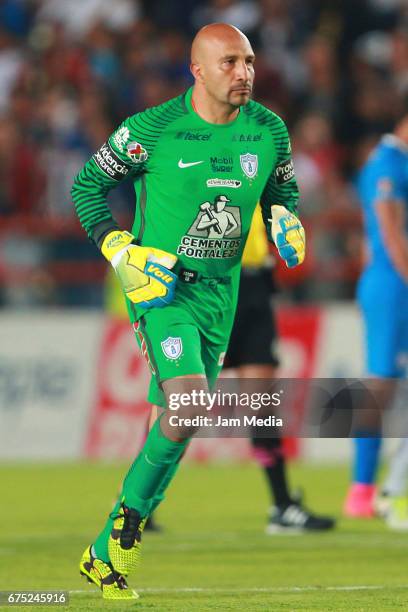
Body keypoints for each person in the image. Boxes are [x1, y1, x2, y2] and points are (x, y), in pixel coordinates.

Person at [71, 23, 305, 601]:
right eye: (230, 62)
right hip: (162, 288)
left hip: (223, 295)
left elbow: (282, 192)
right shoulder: (152, 129)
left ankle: (105, 553)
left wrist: (285, 217)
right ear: (196, 70)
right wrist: (118, 247)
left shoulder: (269, 130)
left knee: (181, 417)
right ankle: (125, 525)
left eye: (249, 61)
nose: (244, 73)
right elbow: (85, 188)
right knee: (190, 401)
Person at [224, 206, 334, 533]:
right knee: (179, 402)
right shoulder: (197, 158)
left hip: (256, 283)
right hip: (209, 283)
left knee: (261, 405)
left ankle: (282, 505)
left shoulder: (263, 159)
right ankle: (134, 505)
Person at [343, 114, 408, 522]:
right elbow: (388, 231)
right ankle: (363, 488)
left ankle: (384, 488)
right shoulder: (386, 162)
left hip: (391, 282)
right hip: (391, 286)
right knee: (380, 386)